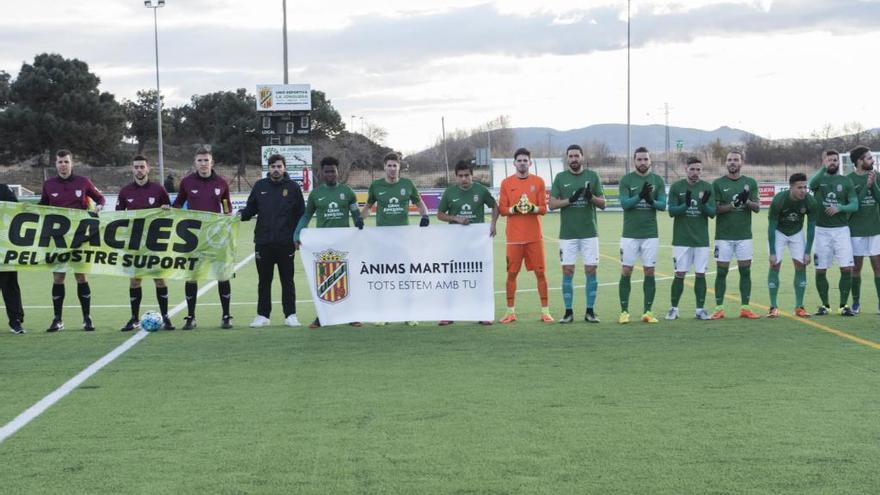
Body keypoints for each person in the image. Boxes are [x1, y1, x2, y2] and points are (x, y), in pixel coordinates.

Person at [39, 149, 105, 332]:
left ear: (72, 163)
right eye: (60, 162)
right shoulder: (49, 184)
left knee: (81, 276)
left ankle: (86, 318)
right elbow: (42, 207)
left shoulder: (83, 182)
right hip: (58, 240)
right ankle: (58, 320)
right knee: (58, 277)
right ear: (56, 164)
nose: (63, 165)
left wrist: (99, 207)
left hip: (79, 238)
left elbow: (100, 198)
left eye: (66, 162)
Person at [293, 156, 363, 329]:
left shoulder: (347, 192)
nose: (330, 174)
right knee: (324, 279)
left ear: (338, 172)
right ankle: (321, 316)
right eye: (327, 171)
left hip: (345, 243)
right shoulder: (316, 194)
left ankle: (351, 315)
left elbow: (356, 216)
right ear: (322, 173)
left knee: (347, 278)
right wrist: (297, 234)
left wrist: (360, 225)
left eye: (333, 170)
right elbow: (306, 216)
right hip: (323, 244)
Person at [361, 152, 429, 326]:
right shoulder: (376, 186)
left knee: (405, 277)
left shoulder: (408, 184)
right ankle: (382, 315)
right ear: (384, 167)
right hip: (382, 240)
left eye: (395, 165)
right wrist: (360, 219)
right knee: (382, 278)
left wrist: (425, 215)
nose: (392, 168)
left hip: (403, 240)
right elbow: (368, 206)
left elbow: (419, 203)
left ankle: (409, 314)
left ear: (399, 167)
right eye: (389, 165)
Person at [239, 154, 305, 328]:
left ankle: (290, 315)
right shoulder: (260, 186)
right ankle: (263, 315)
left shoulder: (292, 187)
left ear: (284, 168)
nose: (276, 169)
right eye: (273, 166)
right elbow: (251, 208)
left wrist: (297, 237)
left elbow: (301, 215)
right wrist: (241, 215)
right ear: (268, 169)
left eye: (279, 166)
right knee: (264, 280)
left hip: (285, 243)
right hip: (263, 242)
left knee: (287, 280)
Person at [171, 148, 234, 329]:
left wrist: (229, 216)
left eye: (206, 160)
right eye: (200, 160)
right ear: (195, 163)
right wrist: (170, 208)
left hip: (215, 237)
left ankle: (226, 316)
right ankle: (191, 317)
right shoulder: (187, 182)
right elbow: (178, 203)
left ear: (211, 162)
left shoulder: (221, 183)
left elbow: (226, 206)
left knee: (222, 275)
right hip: (193, 237)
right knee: (191, 276)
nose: (203, 163)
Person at [436, 160, 500, 326]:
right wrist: (455, 218)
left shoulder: (481, 190)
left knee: (479, 278)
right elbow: (440, 214)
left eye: (467, 176)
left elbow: (495, 206)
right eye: (460, 176)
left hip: (476, 244)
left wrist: (493, 224)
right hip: (455, 244)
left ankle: (482, 313)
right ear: (456, 177)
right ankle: (448, 314)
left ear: (472, 175)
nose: (464, 179)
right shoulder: (450, 192)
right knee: (451, 278)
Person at [116, 155, 174, 331]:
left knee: (160, 280)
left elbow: (170, 212)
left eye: (142, 167)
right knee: (135, 281)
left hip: (155, 242)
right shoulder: (125, 191)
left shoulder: (158, 189)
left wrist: (166, 209)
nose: (139, 170)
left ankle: (165, 317)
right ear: (132, 169)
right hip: (134, 243)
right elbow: (118, 216)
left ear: (148, 169)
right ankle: (134, 318)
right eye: (136, 167)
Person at [549, 144, 606, 323]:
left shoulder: (592, 176)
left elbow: (603, 204)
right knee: (568, 270)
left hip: (589, 232)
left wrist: (591, 198)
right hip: (568, 234)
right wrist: (570, 200)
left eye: (576, 156)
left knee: (591, 270)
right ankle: (568, 312)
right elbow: (551, 205)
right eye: (571, 156)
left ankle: (590, 311)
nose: (574, 159)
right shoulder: (560, 177)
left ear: (582, 157)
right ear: (567, 158)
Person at [497, 147, 553, 324]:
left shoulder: (539, 181)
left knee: (540, 273)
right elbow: (502, 209)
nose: (522, 163)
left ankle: (545, 312)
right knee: (512, 274)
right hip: (513, 239)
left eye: (525, 160)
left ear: (530, 162)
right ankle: (510, 312)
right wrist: (515, 209)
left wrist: (532, 208)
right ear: (514, 163)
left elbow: (543, 209)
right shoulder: (506, 183)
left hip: (534, 238)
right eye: (519, 160)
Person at [617, 147, 666, 324]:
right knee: (626, 271)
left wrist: (650, 199)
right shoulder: (626, 180)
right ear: (634, 161)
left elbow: (662, 205)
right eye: (639, 159)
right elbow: (625, 204)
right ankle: (624, 312)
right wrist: (640, 195)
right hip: (629, 234)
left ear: (650, 161)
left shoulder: (657, 180)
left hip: (650, 234)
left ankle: (648, 311)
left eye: (646, 159)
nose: (643, 162)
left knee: (650, 271)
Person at [710, 150, 761, 320]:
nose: (732, 162)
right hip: (723, 236)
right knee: (721, 272)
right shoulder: (717, 183)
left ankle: (745, 308)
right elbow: (716, 209)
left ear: (742, 163)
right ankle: (719, 308)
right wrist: (733, 205)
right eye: (730, 160)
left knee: (745, 272)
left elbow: (757, 208)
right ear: (726, 163)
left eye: (736, 160)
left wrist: (746, 201)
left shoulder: (750, 182)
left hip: (744, 236)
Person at [809, 149, 858, 316]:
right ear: (824, 162)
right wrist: (824, 168)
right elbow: (810, 184)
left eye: (835, 160)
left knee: (846, 268)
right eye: (829, 160)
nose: (833, 163)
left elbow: (854, 204)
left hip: (841, 231)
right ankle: (825, 306)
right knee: (820, 269)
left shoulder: (845, 181)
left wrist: (840, 208)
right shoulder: (819, 180)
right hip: (821, 231)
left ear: (839, 162)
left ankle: (844, 306)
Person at [665, 157, 715, 320]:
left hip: (701, 240)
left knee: (701, 274)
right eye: (692, 169)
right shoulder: (676, 187)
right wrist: (685, 206)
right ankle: (674, 309)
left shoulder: (707, 188)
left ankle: (700, 310)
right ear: (685, 169)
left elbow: (712, 213)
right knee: (679, 274)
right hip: (681, 239)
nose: (695, 173)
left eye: (698, 170)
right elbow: (672, 211)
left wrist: (704, 205)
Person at [766, 173, 818, 318]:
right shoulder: (779, 200)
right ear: (791, 188)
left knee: (801, 265)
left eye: (805, 187)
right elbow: (771, 227)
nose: (803, 190)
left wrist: (808, 251)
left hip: (796, 232)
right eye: (799, 187)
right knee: (775, 264)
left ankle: (799, 307)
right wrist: (772, 252)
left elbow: (811, 227)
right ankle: (773, 307)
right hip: (779, 232)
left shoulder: (810, 201)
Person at [846, 146, 880, 315]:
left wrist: (872, 184)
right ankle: (856, 303)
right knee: (856, 268)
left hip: (875, 229)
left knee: (878, 266)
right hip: (856, 230)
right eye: (868, 158)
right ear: (859, 161)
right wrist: (866, 186)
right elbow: (854, 206)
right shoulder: (849, 180)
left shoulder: (876, 176)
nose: (872, 160)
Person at [0, 183, 25, 334]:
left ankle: (15, 321)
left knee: (9, 286)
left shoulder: (3, 189)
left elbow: (16, 211)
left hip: (4, 248)